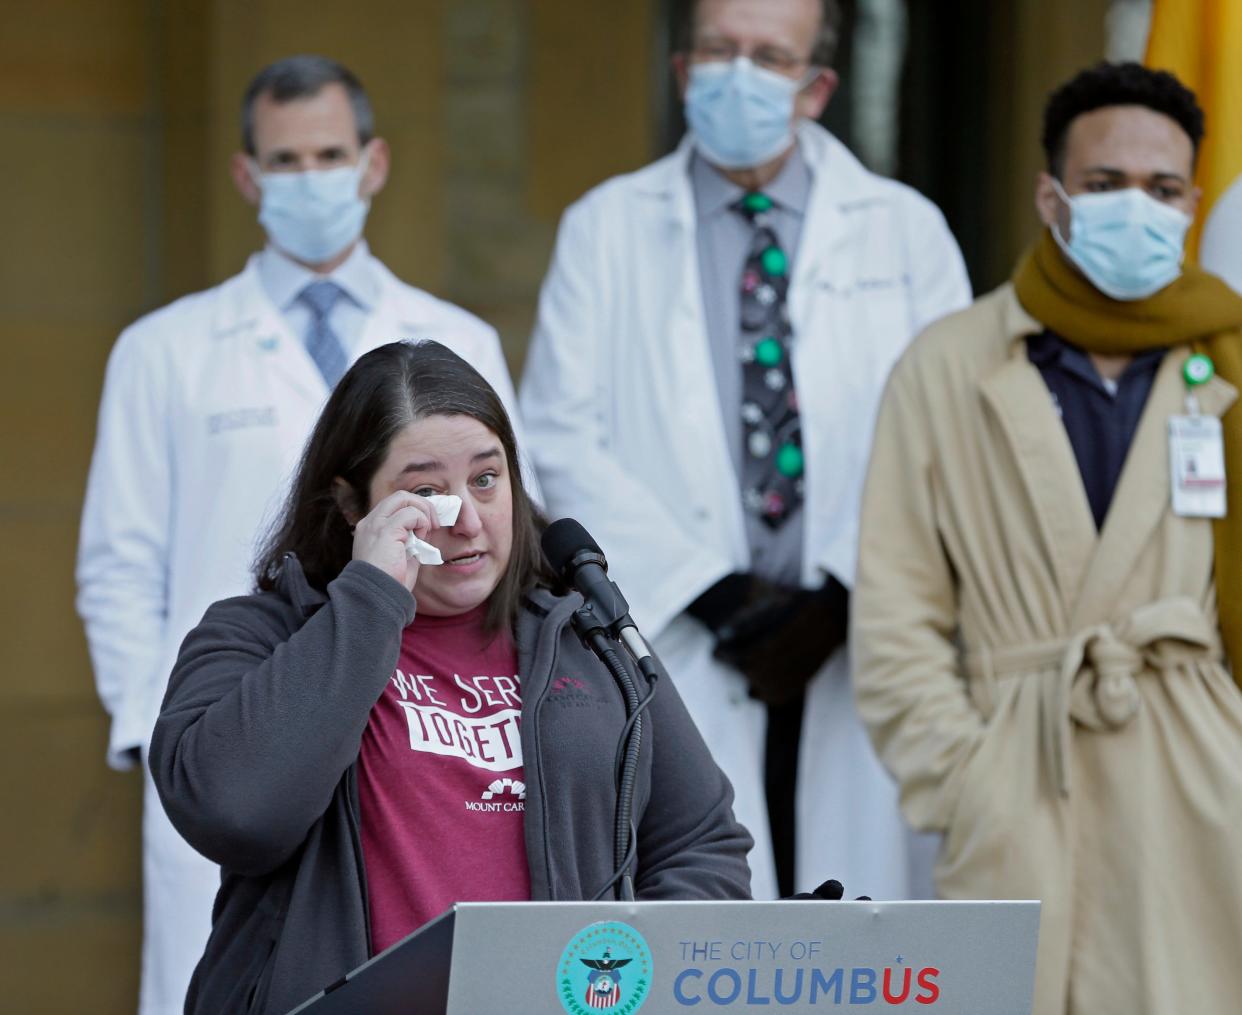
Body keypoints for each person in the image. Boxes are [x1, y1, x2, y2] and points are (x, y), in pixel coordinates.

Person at [75, 55, 525, 1015]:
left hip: (426, 730)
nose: (310, 177)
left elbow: (499, 537)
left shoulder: (456, 340)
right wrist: (170, 731)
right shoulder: (165, 350)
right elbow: (119, 562)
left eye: (329, 153)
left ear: (373, 164)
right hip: (233, 733)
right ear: (246, 176)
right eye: (286, 160)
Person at [148, 340, 753, 1015]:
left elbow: (702, 842)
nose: (467, 517)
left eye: (487, 479)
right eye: (426, 491)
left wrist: (633, 985)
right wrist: (372, 594)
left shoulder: (588, 637)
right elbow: (235, 812)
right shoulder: (260, 636)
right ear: (353, 506)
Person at [519, 0, 970, 900]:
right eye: (720, 51)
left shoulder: (905, 231)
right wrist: (713, 592)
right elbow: (560, 435)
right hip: (685, 636)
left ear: (817, 88)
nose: (739, 74)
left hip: (858, 641)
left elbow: (952, 436)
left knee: (867, 939)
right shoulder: (604, 229)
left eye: (770, 56)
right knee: (710, 918)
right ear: (684, 71)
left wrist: (841, 597)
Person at [853, 62, 1242, 1015]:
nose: (1135, 211)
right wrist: (968, 781)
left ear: (1194, 203)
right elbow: (896, 611)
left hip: (1202, 793)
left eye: (1161, 191)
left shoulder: (1229, 359)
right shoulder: (946, 364)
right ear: (1051, 194)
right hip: (1019, 781)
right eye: (1106, 185)